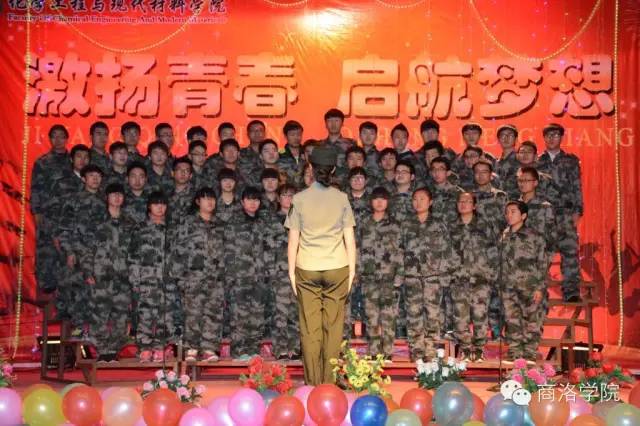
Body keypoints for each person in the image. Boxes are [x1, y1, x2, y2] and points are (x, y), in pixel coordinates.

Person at [285, 145, 357, 385]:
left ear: (311, 168)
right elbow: (349, 239)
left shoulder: (299, 199)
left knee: (310, 328)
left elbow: (293, 240)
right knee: (333, 327)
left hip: (307, 267)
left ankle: (313, 383)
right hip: (338, 266)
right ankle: (329, 383)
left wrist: (291, 273)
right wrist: (352, 270)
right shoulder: (342, 198)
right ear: (334, 169)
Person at [401, 187, 458, 361]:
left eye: (422, 199)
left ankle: (431, 355)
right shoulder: (406, 224)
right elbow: (398, 250)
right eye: (415, 199)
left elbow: (448, 251)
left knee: (433, 316)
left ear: (430, 202)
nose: (418, 203)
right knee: (413, 316)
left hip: (433, 278)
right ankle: (417, 354)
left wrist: (444, 274)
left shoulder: (439, 225)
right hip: (412, 277)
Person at [170, 187, 224, 362]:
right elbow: (177, 251)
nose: (210, 202)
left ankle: (209, 348)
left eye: (212, 198)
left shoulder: (220, 224)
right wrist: (180, 278)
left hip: (215, 279)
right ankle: (191, 348)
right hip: (192, 278)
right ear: (198, 202)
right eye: (205, 198)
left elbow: (227, 252)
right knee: (193, 313)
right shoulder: (188, 223)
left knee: (213, 313)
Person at [84, 183, 135, 362]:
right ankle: (102, 350)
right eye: (113, 195)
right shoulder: (97, 221)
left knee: (121, 315)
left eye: (120, 195)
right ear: (107, 197)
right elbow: (87, 248)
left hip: (123, 276)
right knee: (99, 314)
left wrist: (133, 273)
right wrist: (87, 270)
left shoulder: (129, 222)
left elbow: (135, 250)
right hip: (101, 276)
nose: (117, 198)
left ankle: (113, 350)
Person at [128, 191, 179, 363]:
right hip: (146, 280)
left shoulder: (172, 229)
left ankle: (161, 347)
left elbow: (178, 255)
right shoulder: (140, 228)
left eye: (163, 204)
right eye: (156, 204)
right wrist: (135, 279)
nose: (160, 207)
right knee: (145, 314)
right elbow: (133, 256)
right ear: (149, 206)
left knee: (166, 314)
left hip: (168, 281)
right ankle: (144, 348)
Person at [224, 187, 274, 360]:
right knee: (239, 316)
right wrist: (230, 276)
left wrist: (268, 272)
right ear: (242, 201)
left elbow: (270, 248)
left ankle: (254, 350)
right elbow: (228, 251)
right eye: (249, 199)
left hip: (259, 276)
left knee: (257, 315)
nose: (253, 203)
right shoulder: (233, 222)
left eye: (256, 200)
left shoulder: (264, 222)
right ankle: (239, 351)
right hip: (239, 277)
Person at [536, 123, 583, 302]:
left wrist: (578, 211)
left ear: (561, 137)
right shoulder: (537, 161)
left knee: (569, 251)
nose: (551, 138)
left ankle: (571, 291)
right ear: (544, 138)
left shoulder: (570, 161)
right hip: (543, 214)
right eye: (548, 135)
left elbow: (577, 186)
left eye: (555, 135)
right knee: (541, 253)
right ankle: (539, 292)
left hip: (565, 213)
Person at [450, 192, 498, 362]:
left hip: (480, 280)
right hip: (459, 280)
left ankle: (478, 350)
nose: (463, 204)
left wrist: (491, 275)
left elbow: (493, 252)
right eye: (460, 201)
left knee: (480, 316)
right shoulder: (451, 227)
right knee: (460, 317)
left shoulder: (484, 226)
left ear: (475, 205)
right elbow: (445, 253)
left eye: (468, 201)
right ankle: (464, 348)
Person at [358, 187, 403, 359]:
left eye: (383, 199)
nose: (379, 202)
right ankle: (374, 352)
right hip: (369, 278)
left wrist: (400, 274)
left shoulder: (395, 224)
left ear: (387, 202)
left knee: (388, 317)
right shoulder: (364, 223)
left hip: (389, 279)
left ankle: (388, 353)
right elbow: (356, 249)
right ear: (371, 202)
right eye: (376, 198)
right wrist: (357, 273)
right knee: (371, 317)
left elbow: (400, 251)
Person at [500, 201, 548, 364]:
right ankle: (514, 352)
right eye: (507, 212)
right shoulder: (504, 236)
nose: (509, 215)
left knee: (531, 320)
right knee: (512, 320)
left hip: (530, 286)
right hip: (508, 286)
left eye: (513, 211)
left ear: (524, 215)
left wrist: (540, 287)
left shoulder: (535, 237)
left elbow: (542, 263)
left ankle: (529, 353)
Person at [31, 125, 70, 293]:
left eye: (61, 136)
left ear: (66, 139)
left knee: (67, 252)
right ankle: (48, 287)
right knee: (47, 252)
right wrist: (36, 211)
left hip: (69, 215)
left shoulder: (74, 160)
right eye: (54, 136)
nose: (58, 139)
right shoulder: (42, 162)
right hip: (48, 214)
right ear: (50, 139)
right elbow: (36, 188)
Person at [268, 184, 300, 360]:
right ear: (279, 198)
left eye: (291, 195)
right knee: (280, 313)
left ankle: (295, 348)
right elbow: (266, 248)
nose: (288, 199)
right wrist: (270, 271)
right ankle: (280, 348)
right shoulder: (272, 220)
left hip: (299, 272)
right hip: (279, 273)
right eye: (285, 195)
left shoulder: (301, 219)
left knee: (296, 312)